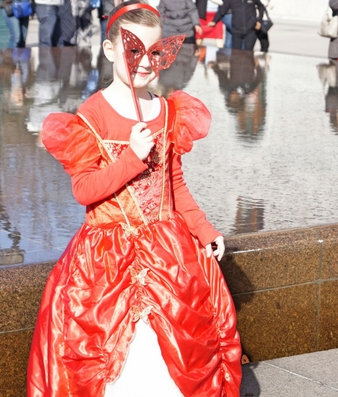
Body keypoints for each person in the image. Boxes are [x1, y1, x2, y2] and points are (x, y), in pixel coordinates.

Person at [27, 1, 242, 396]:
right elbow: (84, 189)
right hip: (106, 255)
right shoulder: (92, 114)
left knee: (180, 335)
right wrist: (130, 159)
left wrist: (204, 229)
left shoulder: (166, 109)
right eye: (133, 50)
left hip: (167, 248)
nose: (145, 62)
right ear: (110, 51)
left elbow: (174, 186)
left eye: (155, 52)